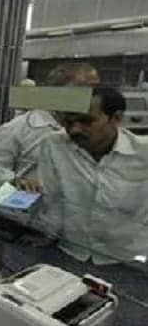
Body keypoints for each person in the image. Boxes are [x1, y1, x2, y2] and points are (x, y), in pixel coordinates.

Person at [16, 87, 148, 264]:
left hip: (128, 259)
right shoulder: (54, 145)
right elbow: (52, 198)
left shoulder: (143, 152)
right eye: (69, 122)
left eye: (86, 121)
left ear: (116, 118)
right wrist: (47, 234)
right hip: (72, 252)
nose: (75, 130)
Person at [0, 63, 100, 189]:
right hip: (32, 200)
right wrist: (15, 181)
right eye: (84, 89)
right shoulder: (18, 128)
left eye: (95, 90)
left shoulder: (97, 129)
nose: (92, 96)